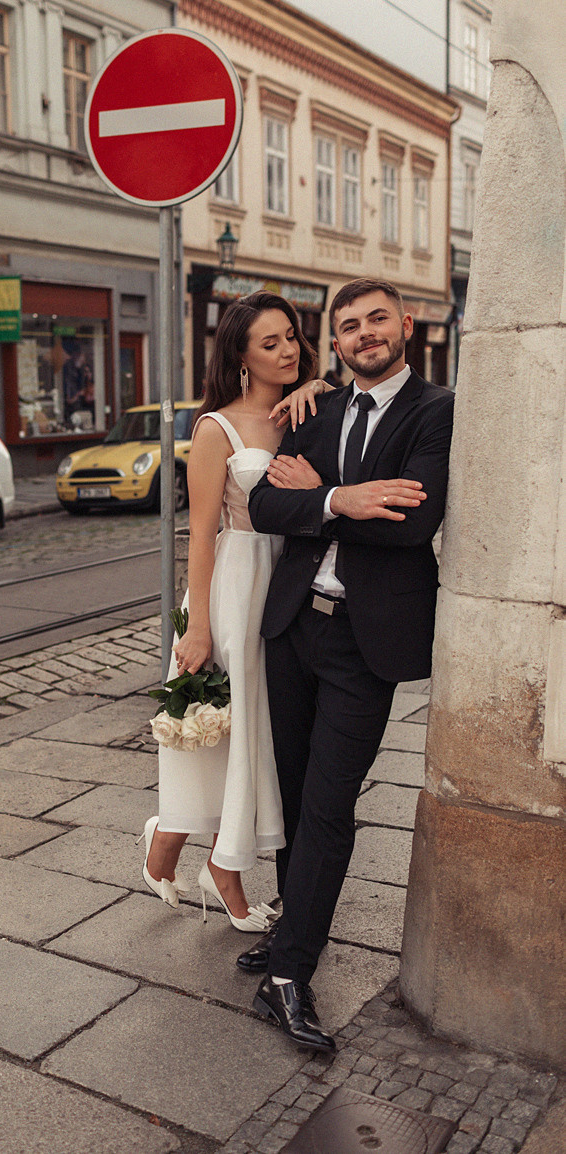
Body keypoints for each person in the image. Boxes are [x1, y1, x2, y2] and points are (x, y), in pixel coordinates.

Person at [240, 277, 454, 1052]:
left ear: (405, 324)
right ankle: (291, 929)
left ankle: (290, 974)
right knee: (294, 798)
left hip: (367, 645)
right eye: (349, 326)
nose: (365, 334)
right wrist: (346, 501)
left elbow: (411, 521)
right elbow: (264, 506)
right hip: (294, 627)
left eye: (376, 320)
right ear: (335, 343)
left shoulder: (439, 410)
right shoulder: (315, 409)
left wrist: (325, 495)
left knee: (330, 808)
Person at [141, 292, 329, 929]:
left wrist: (320, 384)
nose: (287, 352)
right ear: (241, 357)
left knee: (264, 730)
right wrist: (196, 626)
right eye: (269, 343)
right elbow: (201, 532)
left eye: (293, 338)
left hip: (289, 583)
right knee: (233, 725)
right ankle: (223, 868)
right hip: (233, 584)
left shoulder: (305, 411)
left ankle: (180, 842)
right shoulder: (214, 428)